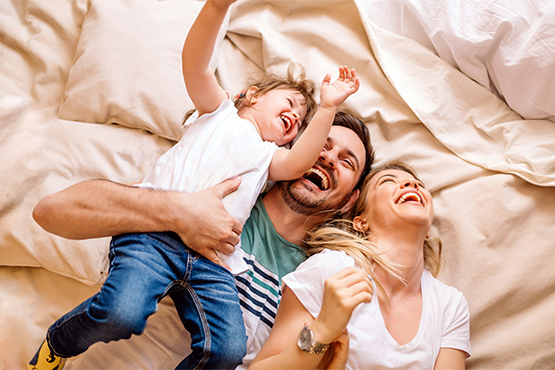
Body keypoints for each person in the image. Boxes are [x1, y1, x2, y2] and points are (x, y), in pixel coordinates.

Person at [28, 0, 361, 368]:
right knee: (122, 312)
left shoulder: (270, 159)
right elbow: (196, 64)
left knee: (228, 349)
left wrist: (328, 107)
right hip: (155, 238)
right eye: (289, 104)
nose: (294, 118)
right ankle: (58, 345)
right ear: (249, 95)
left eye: (300, 122)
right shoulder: (218, 113)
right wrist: (217, 8)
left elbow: (301, 159)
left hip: (213, 262)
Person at [249, 162, 471, 370]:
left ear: (428, 231)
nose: (412, 184)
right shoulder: (330, 269)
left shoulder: (450, 306)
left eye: (419, 185)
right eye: (388, 181)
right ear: (361, 220)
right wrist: (322, 330)